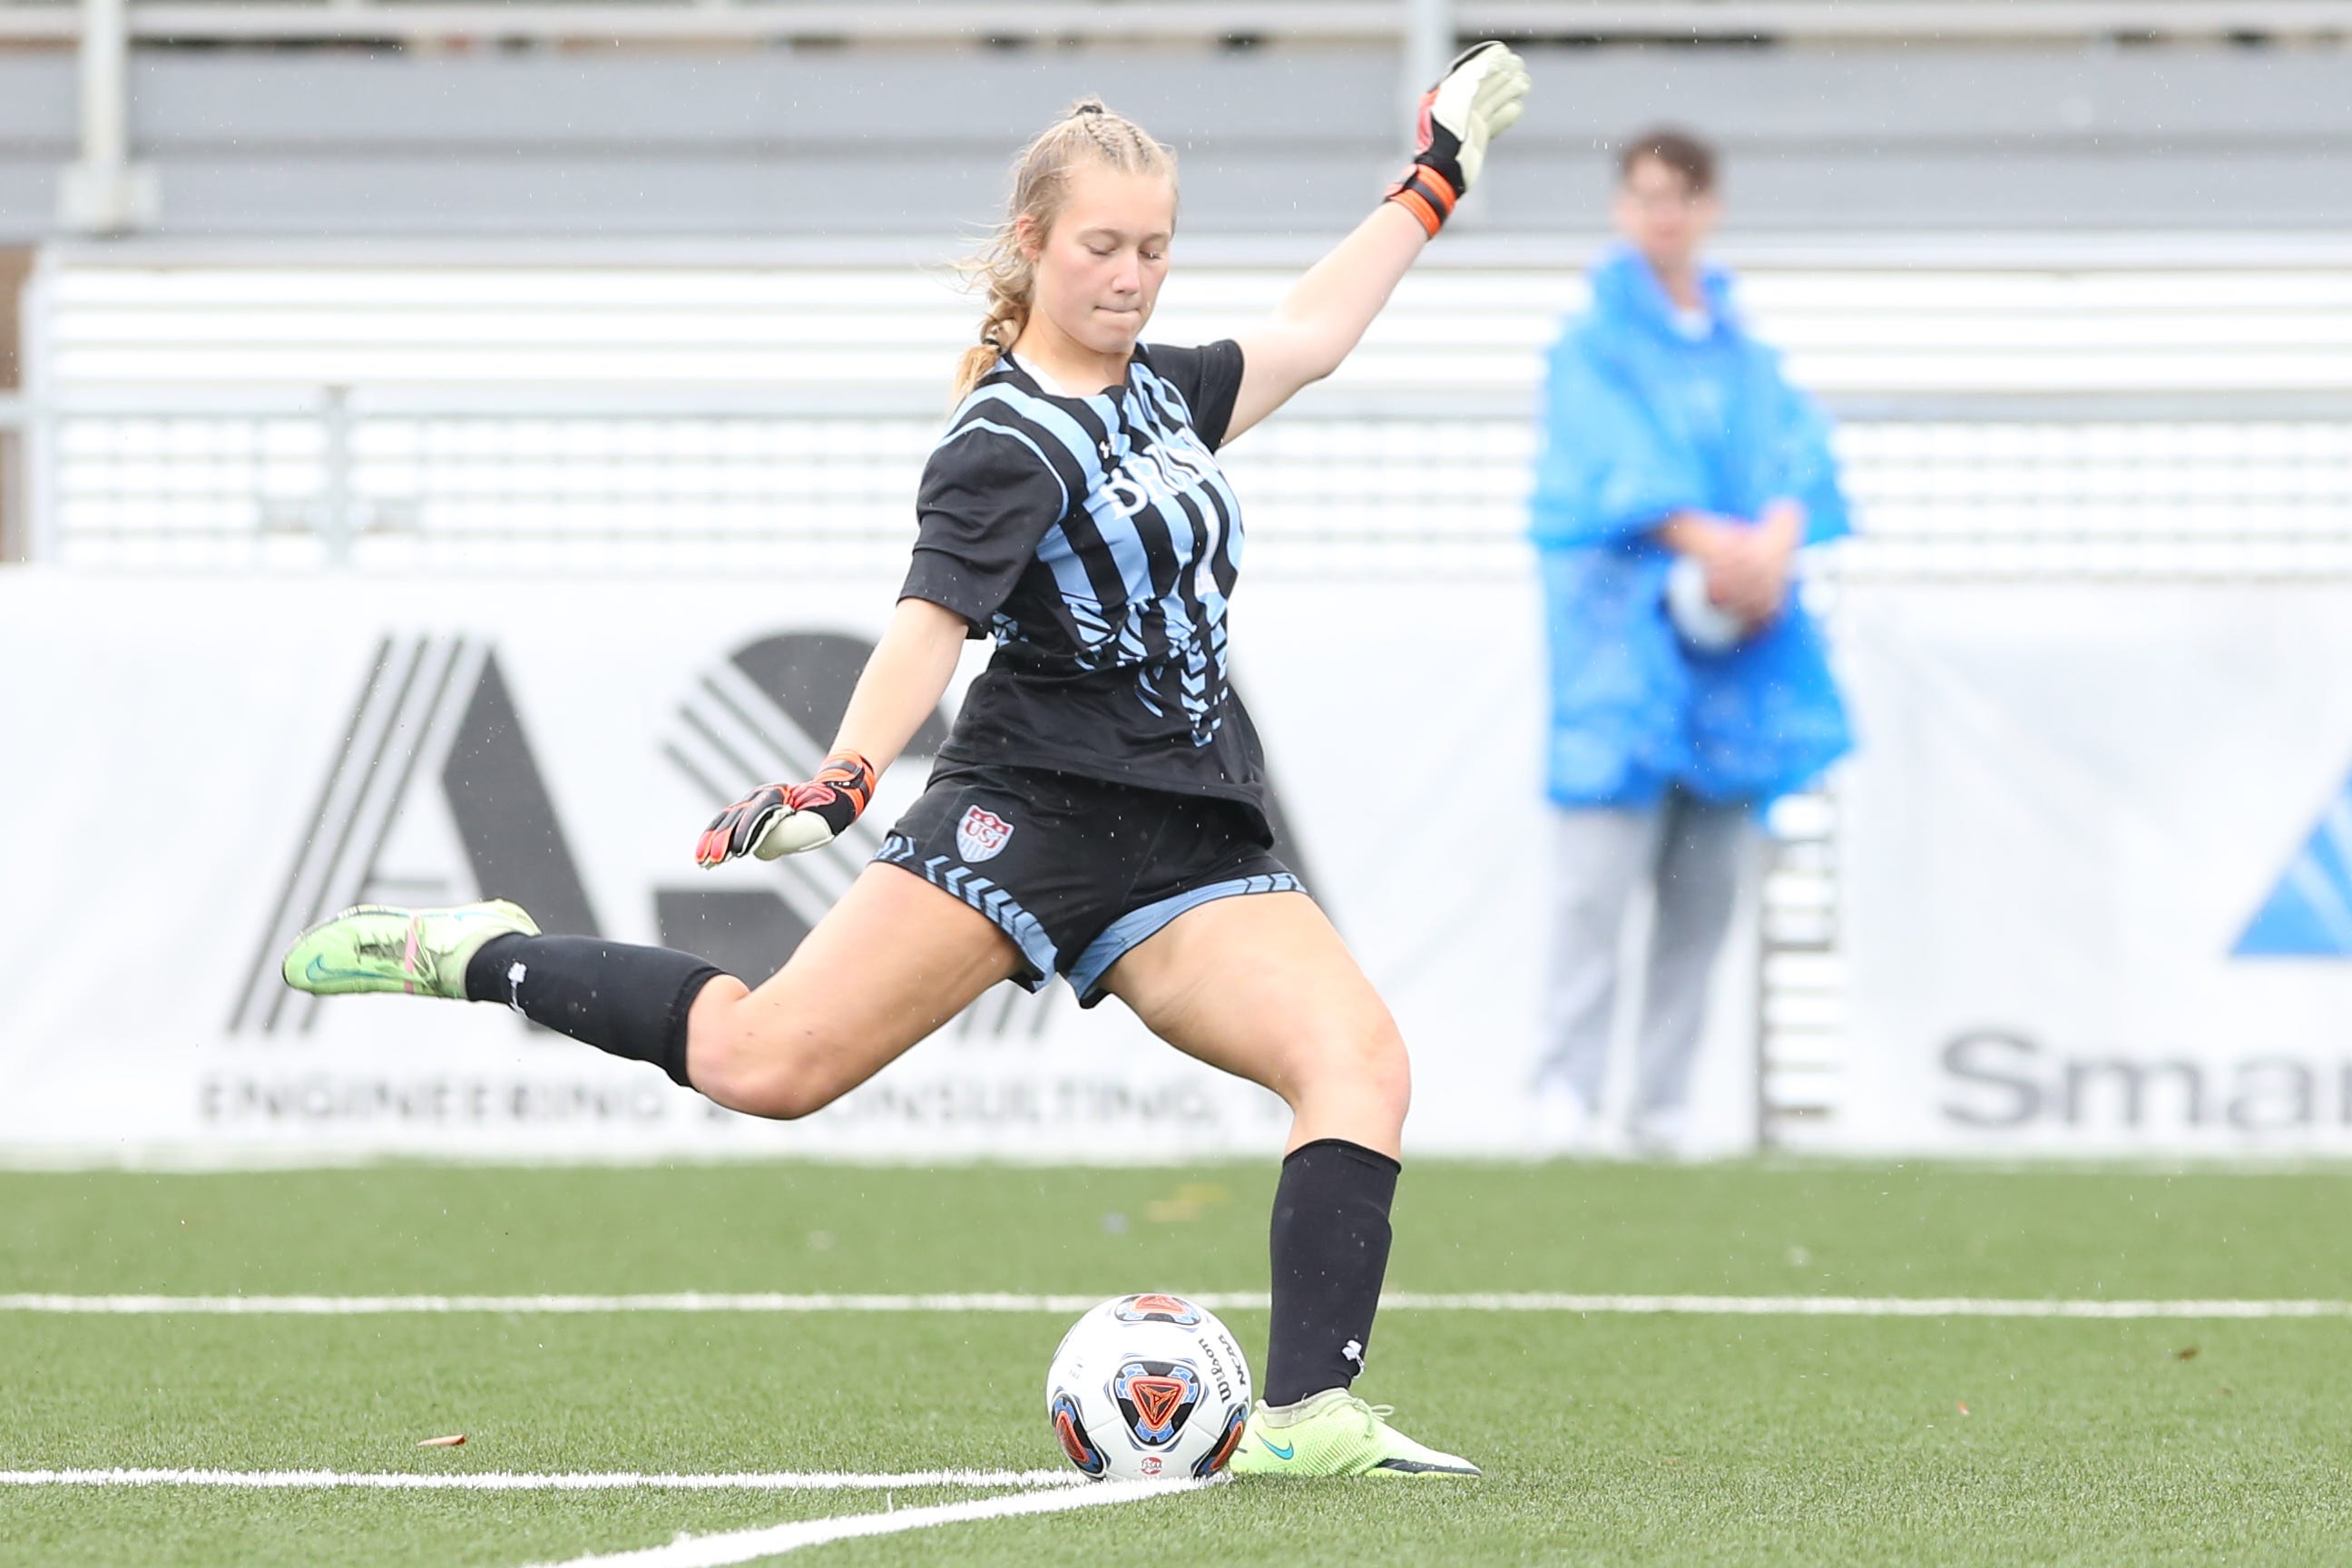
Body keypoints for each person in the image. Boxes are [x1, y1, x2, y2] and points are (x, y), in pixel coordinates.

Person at [284, 46, 1531, 1479]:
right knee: (766, 1062)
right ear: (1034, 246)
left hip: (1190, 840)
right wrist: (849, 771)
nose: (1134, 276)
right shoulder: (1002, 441)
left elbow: (1312, 333)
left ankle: (1308, 1421)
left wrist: (1431, 181)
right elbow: (928, 624)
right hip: (1032, 818)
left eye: (1156, 248)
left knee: (1359, 1064)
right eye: (1103, 247)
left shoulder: (1163, 394)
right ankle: (486, 953)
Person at [1525, 126, 1852, 1158]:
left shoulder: (1747, 353)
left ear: (1709, 206)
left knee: (1703, 895)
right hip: (1625, 653)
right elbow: (1605, 472)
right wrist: (1713, 539)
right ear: (1623, 206)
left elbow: (1799, 460)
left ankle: (1661, 1101)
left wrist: (1776, 541)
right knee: (1596, 889)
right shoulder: (1592, 347)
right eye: (1646, 196)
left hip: (1736, 658)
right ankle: (1564, 1096)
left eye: (1682, 196)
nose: (1663, 215)